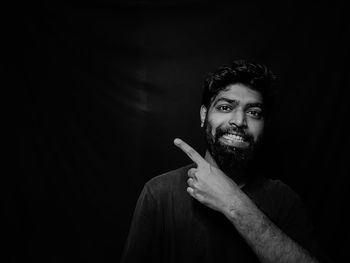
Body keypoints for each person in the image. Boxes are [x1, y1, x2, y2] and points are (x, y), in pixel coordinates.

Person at [121, 60, 329, 263]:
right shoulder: (160, 194)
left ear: (264, 124)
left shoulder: (284, 200)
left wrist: (232, 202)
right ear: (204, 115)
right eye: (225, 107)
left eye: (253, 112)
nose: (239, 121)